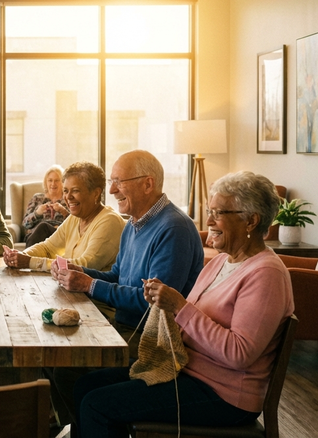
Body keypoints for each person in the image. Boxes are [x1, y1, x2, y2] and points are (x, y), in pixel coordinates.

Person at [73, 171, 295, 437]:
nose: (209, 220)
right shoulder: (222, 261)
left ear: (251, 221)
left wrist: (179, 306)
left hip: (224, 395)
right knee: (84, 385)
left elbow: (239, 353)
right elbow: (188, 321)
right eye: (210, 211)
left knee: (97, 406)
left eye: (219, 213)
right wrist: (162, 303)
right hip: (185, 371)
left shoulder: (266, 274)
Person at [49, 150, 204, 428]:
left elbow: (153, 304)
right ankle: (82, 429)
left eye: (119, 181)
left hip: (150, 341)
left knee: (65, 369)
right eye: (112, 181)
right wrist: (82, 272)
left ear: (148, 184)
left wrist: (89, 284)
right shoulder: (133, 224)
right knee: (55, 362)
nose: (111, 190)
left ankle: (90, 428)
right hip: (125, 328)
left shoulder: (174, 228)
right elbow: (119, 276)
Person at [4, 161, 124, 273]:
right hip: (69, 289)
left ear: (96, 193)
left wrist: (29, 262)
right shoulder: (75, 217)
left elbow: (85, 265)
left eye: (75, 191)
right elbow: (48, 247)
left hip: (93, 295)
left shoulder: (109, 221)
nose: (68, 197)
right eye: (66, 191)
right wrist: (20, 256)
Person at [21, 165, 70, 246]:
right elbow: (25, 224)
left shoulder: (68, 199)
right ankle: (27, 256)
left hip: (58, 235)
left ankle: (25, 256)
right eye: (50, 180)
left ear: (63, 182)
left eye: (57, 180)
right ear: (45, 182)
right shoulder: (37, 198)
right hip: (36, 235)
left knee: (45, 227)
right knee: (42, 226)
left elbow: (76, 223)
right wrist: (37, 213)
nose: (53, 184)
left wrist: (63, 211)